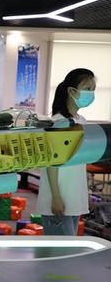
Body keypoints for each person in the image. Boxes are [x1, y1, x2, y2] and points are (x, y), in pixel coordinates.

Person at [37, 68, 96, 235]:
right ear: (71, 91)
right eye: (87, 88)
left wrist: (86, 193)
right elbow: (51, 163)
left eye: (93, 89)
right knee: (60, 248)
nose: (91, 93)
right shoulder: (58, 122)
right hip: (58, 199)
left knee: (68, 246)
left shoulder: (81, 121)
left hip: (74, 197)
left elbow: (80, 161)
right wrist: (56, 197)